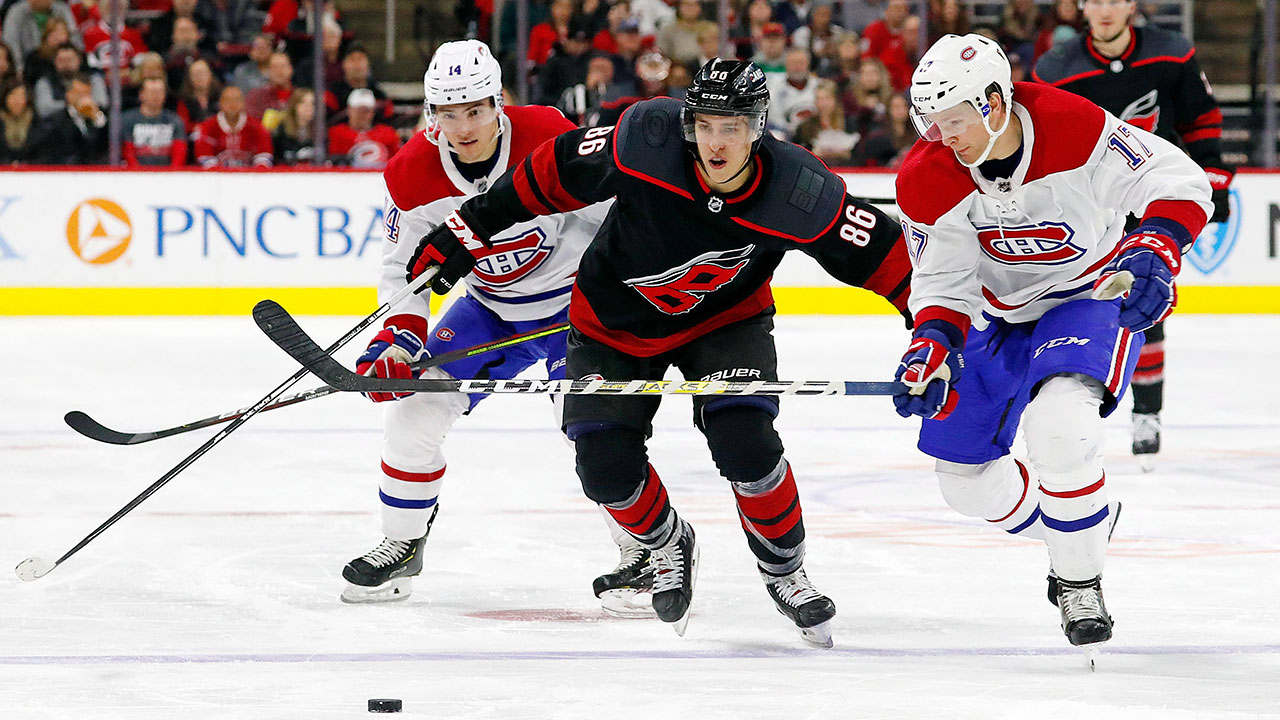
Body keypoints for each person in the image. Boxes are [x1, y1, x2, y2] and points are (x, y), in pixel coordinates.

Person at [404, 58, 912, 645]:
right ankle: (668, 545)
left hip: (726, 321)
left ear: (758, 127)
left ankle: (786, 572)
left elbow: (889, 262)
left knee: (746, 442)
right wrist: (466, 230)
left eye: (731, 127)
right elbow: (547, 175)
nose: (715, 143)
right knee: (602, 466)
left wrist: (935, 339)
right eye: (704, 125)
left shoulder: (801, 190)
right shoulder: (644, 138)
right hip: (613, 320)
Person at [893, 33, 1210, 655]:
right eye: (931, 123)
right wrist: (931, 341)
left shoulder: (1075, 127)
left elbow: (1177, 180)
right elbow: (941, 282)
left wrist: (1157, 247)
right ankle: (1078, 524)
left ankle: (1078, 578)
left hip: (1087, 295)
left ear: (992, 102)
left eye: (952, 120)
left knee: (1061, 429)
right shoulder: (928, 178)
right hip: (997, 316)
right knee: (962, 482)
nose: (941, 137)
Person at [337, 40, 647, 618]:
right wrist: (396, 340)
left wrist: (621, 299)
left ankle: (642, 552)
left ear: (498, 103)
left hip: (573, 302)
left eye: (475, 110)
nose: (463, 127)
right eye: (448, 114)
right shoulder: (411, 172)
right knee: (412, 415)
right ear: (432, 116)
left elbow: (610, 215)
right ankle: (403, 544)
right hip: (491, 307)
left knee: (591, 423)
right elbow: (401, 270)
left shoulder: (546, 132)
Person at [1032, 0, 1233, 471]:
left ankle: (1146, 414)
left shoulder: (1172, 54)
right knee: (1065, 305)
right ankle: (1059, 414)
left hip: (1155, 195)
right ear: (1080, 6)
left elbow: (1200, 118)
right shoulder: (1055, 68)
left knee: (1147, 297)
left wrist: (1213, 178)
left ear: (1133, 5)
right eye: (1095, 0)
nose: (1104, 10)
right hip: (1089, 206)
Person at [193, 84, 272, 167]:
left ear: (243, 103)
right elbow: (204, 157)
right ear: (220, 103)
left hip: (249, 177)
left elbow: (264, 156)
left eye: (236, 100)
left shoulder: (257, 127)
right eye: (228, 100)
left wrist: (256, 173)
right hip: (217, 178)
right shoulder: (207, 127)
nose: (232, 104)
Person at [120, 76, 187, 166]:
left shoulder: (175, 120)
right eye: (152, 92)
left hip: (168, 175)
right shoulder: (127, 120)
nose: (156, 96)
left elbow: (179, 154)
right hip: (136, 175)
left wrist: (172, 174)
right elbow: (127, 153)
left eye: (159, 92)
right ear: (142, 95)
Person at [327, 88, 399, 168]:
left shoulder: (388, 133)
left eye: (366, 111)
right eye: (358, 110)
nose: (362, 115)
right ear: (349, 110)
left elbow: (396, 163)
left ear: (372, 112)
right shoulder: (337, 133)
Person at [272, 87, 319, 165]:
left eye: (312, 103)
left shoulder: (320, 131)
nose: (308, 107)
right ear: (294, 105)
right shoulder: (281, 132)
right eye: (303, 102)